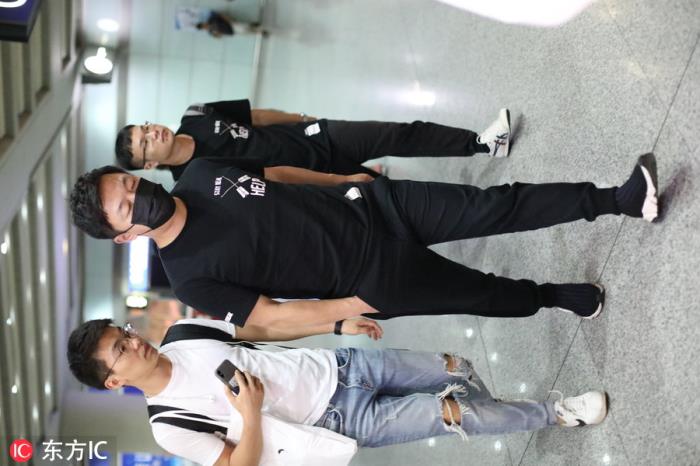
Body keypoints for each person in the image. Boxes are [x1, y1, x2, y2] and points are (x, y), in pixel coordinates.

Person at [69, 152, 659, 331]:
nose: (138, 194)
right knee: (480, 294)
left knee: (494, 204)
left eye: (129, 183)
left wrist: (341, 180)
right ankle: (551, 297)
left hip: (373, 206)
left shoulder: (200, 174)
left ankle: (617, 199)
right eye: (126, 206)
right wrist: (348, 310)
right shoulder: (189, 276)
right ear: (124, 236)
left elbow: (276, 174)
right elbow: (270, 316)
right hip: (368, 280)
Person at [67, 317, 609, 466]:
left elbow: (265, 327)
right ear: (114, 382)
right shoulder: (168, 426)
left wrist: (336, 324)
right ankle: (556, 413)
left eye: (125, 333)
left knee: (456, 367)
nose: (134, 343)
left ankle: (497, 410)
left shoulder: (183, 332)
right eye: (120, 351)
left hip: (343, 364)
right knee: (451, 415)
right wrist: (250, 415)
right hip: (335, 421)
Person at [114, 100, 512, 181]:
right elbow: (270, 181)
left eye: (145, 128)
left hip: (314, 135)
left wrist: (304, 119)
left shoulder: (196, 114)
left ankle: (482, 143)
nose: (152, 133)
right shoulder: (195, 179)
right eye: (145, 144)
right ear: (150, 165)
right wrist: (337, 183)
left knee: (397, 133)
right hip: (316, 176)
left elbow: (256, 116)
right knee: (390, 192)